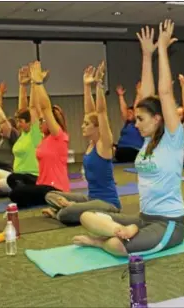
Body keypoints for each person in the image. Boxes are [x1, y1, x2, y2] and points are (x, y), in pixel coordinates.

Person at [73, 20, 184, 256]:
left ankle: (104, 240)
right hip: (144, 218)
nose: (136, 124)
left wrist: (163, 49)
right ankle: (122, 230)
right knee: (86, 215)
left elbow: (164, 92)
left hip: (169, 223)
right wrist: (146, 55)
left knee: (116, 246)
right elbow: (145, 95)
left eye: (140, 119)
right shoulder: (147, 142)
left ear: (157, 119)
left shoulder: (172, 139)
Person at [42, 62, 121, 224]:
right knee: (50, 195)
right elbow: (90, 112)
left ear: (97, 127)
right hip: (90, 199)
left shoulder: (104, 144)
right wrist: (86, 86)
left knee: (66, 214)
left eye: (86, 124)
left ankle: (64, 211)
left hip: (108, 204)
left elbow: (101, 112)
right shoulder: (92, 144)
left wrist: (98, 84)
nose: (82, 126)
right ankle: (68, 207)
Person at [8, 61, 70, 208]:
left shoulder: (58, 136)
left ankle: (51, 200)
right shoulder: (44, 139)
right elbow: (31, 108)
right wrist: (30, 85)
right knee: (14, 183)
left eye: (44, 120)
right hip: (42, 184)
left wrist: (38, 83)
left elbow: (44, 107)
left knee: (16, 193)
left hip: (56, 188)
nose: (40, 122)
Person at [113, 82, 144, 163]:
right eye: (128, 112)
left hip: (133, 150)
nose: (128, 114)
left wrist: (139, 93)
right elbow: (123, 110)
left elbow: (136, 107)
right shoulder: (127, 123)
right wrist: (121, 96)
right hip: (121, 150)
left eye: (131, 112)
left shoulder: (138, 122)